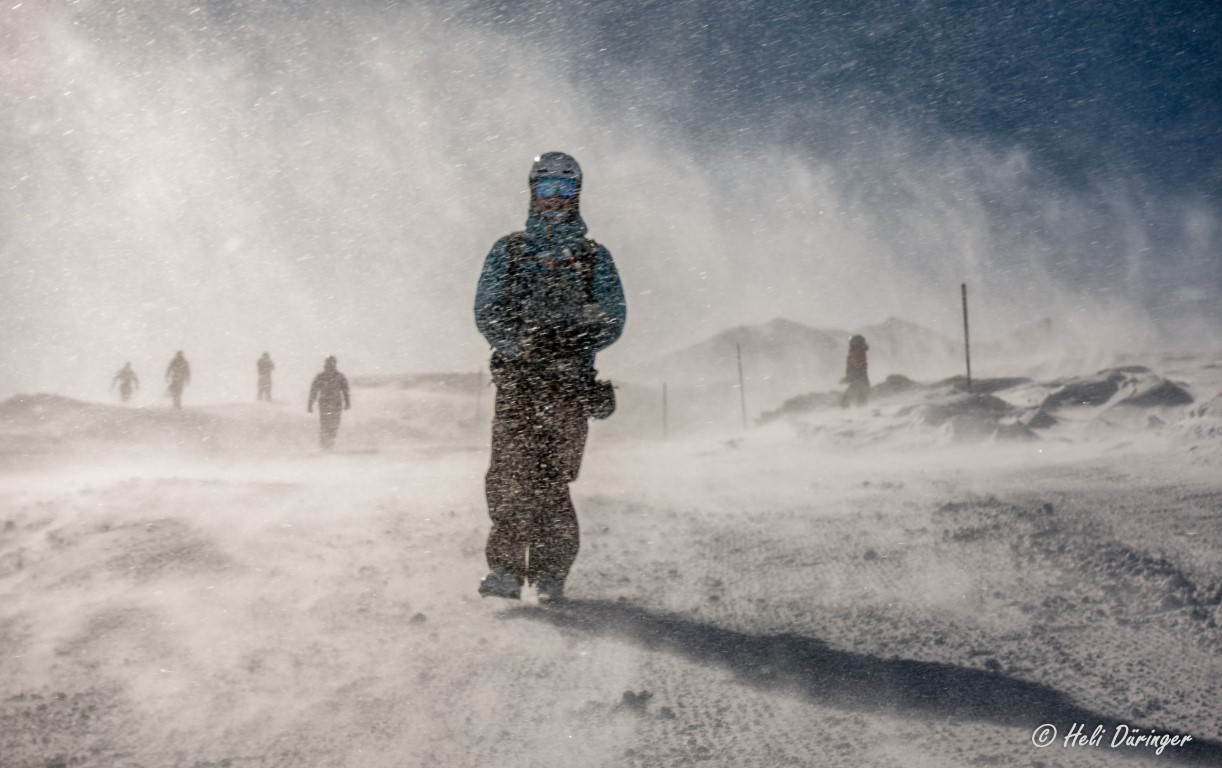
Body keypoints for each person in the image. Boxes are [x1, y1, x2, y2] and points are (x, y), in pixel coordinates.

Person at [473, 151, 627, 603]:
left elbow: (613, 316)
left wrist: (571, 341)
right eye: (546, 188)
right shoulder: (510, 250)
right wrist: (521, 342)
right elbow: (487, 308)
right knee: (508, 473)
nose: (555, 198)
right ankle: (504, 570)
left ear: (577, 194)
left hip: (569, 386)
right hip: (519, 383)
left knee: (552, 478)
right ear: (532, 192)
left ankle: (550, 574)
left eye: (565, 189)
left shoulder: (593, 257)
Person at [307, 355, 350, 451]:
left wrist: (347, 402)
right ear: (325, 364)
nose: (329, 365)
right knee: (324, 425)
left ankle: (330, 445)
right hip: (324, 404)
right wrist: (310, 403)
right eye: (328, 363)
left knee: (334, 425)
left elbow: (345, 390)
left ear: (335, 364)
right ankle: (324, 446)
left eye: (331, 363)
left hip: (336, 405)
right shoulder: (321, 377)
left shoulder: (339, 376)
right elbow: (314, 390)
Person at [840, 335, 870, 407]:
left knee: (846, 399)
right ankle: (861, 412)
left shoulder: (857, 351)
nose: (850, 343)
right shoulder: (859, 350)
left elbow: (856, 366)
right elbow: (857, 366)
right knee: (860, 397)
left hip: (858, 378)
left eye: (851, 342)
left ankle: (848, 413)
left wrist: (849, 377)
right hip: (860, 378)